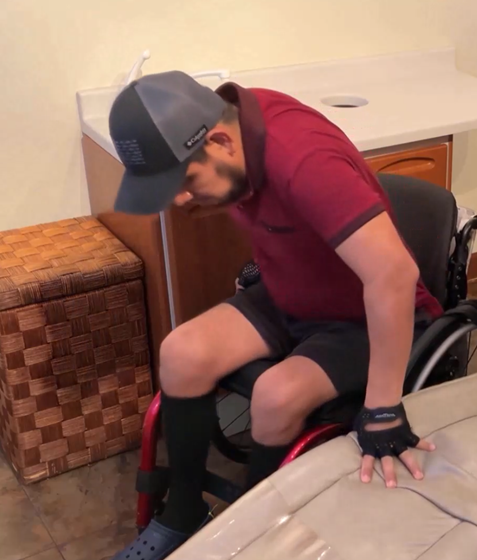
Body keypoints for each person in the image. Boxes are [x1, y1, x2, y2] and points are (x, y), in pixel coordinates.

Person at [109, 71, 441, 560]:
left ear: (220, 141)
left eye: (185, 182)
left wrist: (383, 408)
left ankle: (253, 532)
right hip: (291, 293)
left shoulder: (303, 158)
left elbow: (392, 274)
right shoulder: (233, 133)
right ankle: (182, 514)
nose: (179, 200)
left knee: (273, 396)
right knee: (181, 352)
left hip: (362, 316)